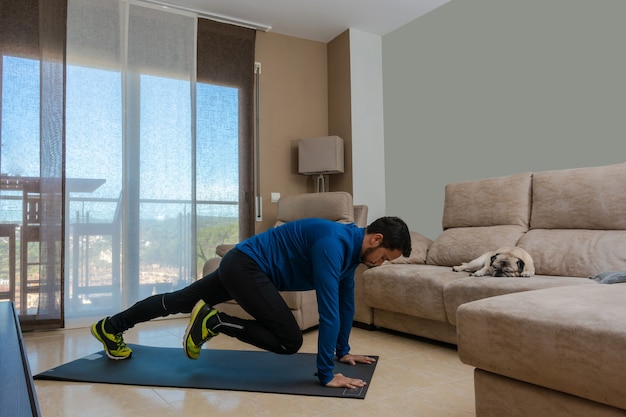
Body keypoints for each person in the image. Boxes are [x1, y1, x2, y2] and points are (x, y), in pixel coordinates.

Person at [91, 216, 411, 388]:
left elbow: (344, 306)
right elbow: (329, 314)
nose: (380, 264)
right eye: (384, 257)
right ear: (376, 239)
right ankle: (214, 321)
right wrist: (327, 374)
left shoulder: (349, 254)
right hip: (247, 267)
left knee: (180, 300)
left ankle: (110, 327)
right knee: (289, 340)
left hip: (241, 265)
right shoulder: (334, 245)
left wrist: (343, 351)